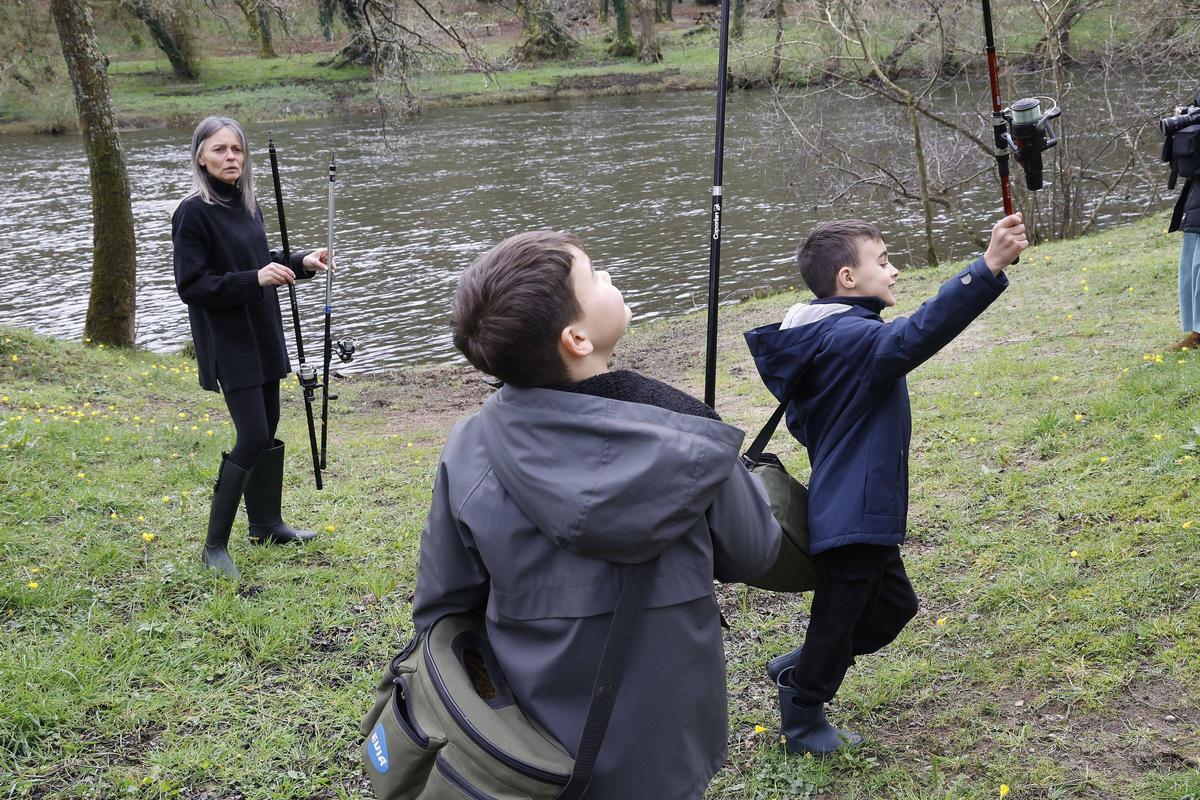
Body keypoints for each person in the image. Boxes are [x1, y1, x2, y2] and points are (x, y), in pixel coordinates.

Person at [411, 231, 782, 799]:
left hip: (532, 750)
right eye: (595, 275)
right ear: (577, 338)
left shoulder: (468, 449)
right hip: (667, 744)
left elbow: (443, 611)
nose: (610, 278)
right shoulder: (683, 438)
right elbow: (756, 550)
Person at [743, 213, 1028, 755]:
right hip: (853, 513)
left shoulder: (823, 334)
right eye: (883, 262)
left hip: (861, 509)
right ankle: (803, 715)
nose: (894, 272)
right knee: (838, 618)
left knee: (894, 607)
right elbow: (915, 336)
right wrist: (986, 267)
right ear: (847, 279)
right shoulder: (849, 338)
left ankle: (801, 668)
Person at [172, 115, 331, 581]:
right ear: (201, 155)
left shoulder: (247, 205)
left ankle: (266, 524)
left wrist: (301, 261)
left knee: (271, 427)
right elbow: (192, 285)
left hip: (262, 332)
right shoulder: (192, 212)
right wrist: (255, 279)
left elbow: (261, 263)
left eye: (237, 150)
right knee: (251, 435)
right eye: (220, 150)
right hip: (229, 341)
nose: (230, 158)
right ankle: (213, 546)